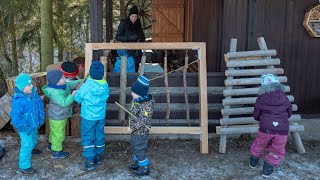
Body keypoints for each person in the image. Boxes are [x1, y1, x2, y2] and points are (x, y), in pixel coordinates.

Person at [249, 74, 292, 178]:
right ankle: (267, 169)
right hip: (282, 130)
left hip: (265, 128)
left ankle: (253, 161)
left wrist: (261, 119)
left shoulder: (261, 98)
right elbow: (289, 113)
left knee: (260, 143)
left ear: (263, 87)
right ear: (277, 85)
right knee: (277, 148)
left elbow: (256, 115)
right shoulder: (284, 98)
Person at [74, 60, 110, 171]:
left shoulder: (85, 86)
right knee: (99, 134)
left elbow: (78, 100)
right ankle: (98, 156)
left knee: (88, 136)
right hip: (100, 116)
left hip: (88, 117)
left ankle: (90, 159)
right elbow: (106, 96)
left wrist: (75, 93)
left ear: (90, 73)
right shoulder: (105, 85)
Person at [42, 70, 81, 159]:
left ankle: (51, 145)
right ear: (57, 81)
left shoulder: (61, 86)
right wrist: (72, 95)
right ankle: (56, 152)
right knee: (58, 134)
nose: (65, 79)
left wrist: (81, 81)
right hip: (57, 117)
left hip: (59, 115)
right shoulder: (55, 92)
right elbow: (64, 103)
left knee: (54, 132)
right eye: (63, 78)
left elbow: (70, 84)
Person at [10, 74, 45, 174]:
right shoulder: (18, 101)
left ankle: (32, 149)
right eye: (28, 85)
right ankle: (24, 166)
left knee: (34, 138)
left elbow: (40, 107)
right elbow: (17, 118)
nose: (31, 86)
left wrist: (41, 118)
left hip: (33, 124)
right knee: (26, 144)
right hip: (25, 128)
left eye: (31, 84)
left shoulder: (34, 95)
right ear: (22, 88)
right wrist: (25, 128)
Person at [128, 74, 155, 176]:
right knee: (135, 147)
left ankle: (144, 167)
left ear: (140, 93)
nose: (131, 94)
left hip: (141, 132)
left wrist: (132, 128)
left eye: (134, 92)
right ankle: (138, 163)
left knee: (139, 148)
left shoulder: (146, 106)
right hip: (135, 131)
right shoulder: (138, 100)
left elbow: (142, 120)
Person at [115, 5, 146, 72]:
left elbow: (143, 36)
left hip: (136, 52)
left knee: (135, 68)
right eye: (132, 16)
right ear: (129, 16)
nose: (134, 18)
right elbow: (117, 37)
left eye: (135, 16)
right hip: (126, 51)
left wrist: (141, 38)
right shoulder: (123, 23)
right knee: (126, 69)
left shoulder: (138, 23)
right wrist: (129, 38)